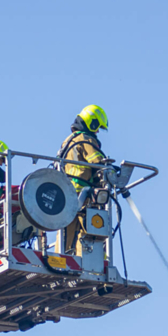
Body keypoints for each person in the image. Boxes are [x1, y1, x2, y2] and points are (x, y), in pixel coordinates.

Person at [56, 105, 109, 254]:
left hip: (67, 194)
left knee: (66, 231)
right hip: (83, 196)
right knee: (88, 231)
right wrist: (111, 172)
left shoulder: (68, 140)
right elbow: (98, 162)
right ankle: (88, 260)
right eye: (97, 127)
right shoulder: (85, 139)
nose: (97, 132)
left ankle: (59, 259)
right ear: (92, 123)